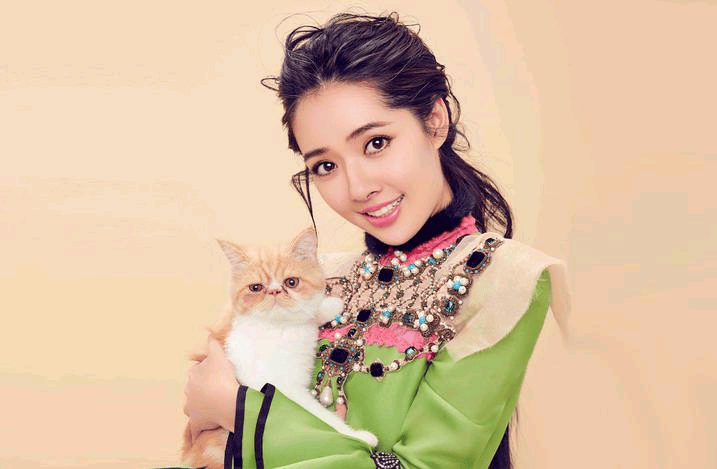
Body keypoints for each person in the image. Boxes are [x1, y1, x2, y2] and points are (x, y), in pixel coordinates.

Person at [182, 12, 571, 469]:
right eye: (325, 166)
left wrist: (236, 409)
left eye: (376, 143)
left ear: (435, 120)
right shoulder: (315, 278)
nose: (357, 187)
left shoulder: (508, 280)